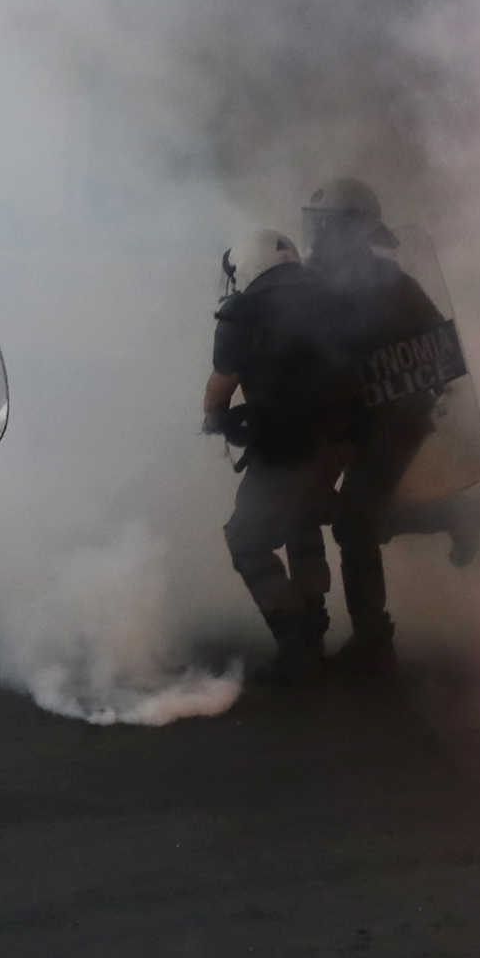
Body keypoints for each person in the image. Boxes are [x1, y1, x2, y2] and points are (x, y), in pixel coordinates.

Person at [303, 177, 444, 670]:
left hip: (392, 421)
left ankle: (373, 641)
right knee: (324, 509)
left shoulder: (394, 284)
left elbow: (439, 351)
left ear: (356, 229)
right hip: (344, 419)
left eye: (328, 226)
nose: (317, 236)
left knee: (354, 520)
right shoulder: (309, 282)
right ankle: (458, 517)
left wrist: (403, 392)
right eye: (314, 224)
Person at [204, 228, 348, 684]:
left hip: (287, 445)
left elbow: (220, 387)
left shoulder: (242, 312)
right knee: (303, 518)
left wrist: (216, 419)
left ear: (246, 266)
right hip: (343, 437)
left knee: (245, 539)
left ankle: (296, 643)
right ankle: (315, 621)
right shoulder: (332, 293)